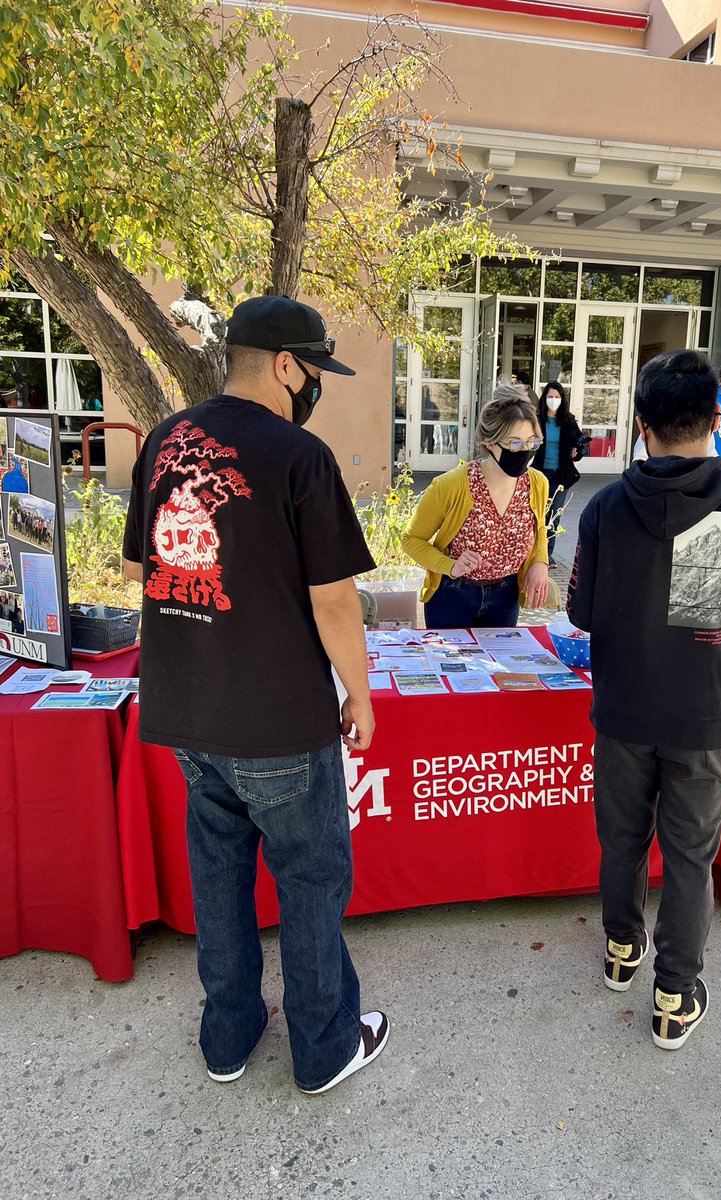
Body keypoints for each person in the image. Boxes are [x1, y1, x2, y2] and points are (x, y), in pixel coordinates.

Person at [122, 295, 389, 1094]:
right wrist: (362, 692)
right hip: (278, 720)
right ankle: (323, 1047)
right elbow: (334, 599)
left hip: (186, 712)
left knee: (219, 876)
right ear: (284, 364)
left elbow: (141, 571)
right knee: (309, 879)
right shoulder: (300, 457)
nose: (316, 387)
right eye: (315, 370)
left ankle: (228, 1039)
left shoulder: (166, 440)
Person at [568, 349, 721, 1051]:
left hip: (625, 711)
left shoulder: (605, 507)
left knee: (622, 841)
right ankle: (674, 995)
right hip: (705, 715)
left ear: (641, 424)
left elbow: (580, 613)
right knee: (690, 855)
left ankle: (621, 951)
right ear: (717, 418)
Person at [402, 384, 550, 628]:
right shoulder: (450, 485)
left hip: (506, 596)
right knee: (451, 667)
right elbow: (411, 540)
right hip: (453, 597)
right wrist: (451, 565)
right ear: (490, 442)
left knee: (500, 666)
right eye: (514, 444)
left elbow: (540, 528)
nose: (524, 452)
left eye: (531, 443)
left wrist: (539, 562)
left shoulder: (537, 483)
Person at [531, 381, 584, 568]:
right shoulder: (536, 419)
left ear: (562, 399)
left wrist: (577, 450)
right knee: (537, 515)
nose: (553, 400)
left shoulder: (568, 421)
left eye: (557, 397)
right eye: (550, 397)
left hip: (561, 476)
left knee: (554, 516)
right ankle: (533, 552)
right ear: (544, 399)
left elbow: (580, 443)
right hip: (539, 474)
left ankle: (548, 555)